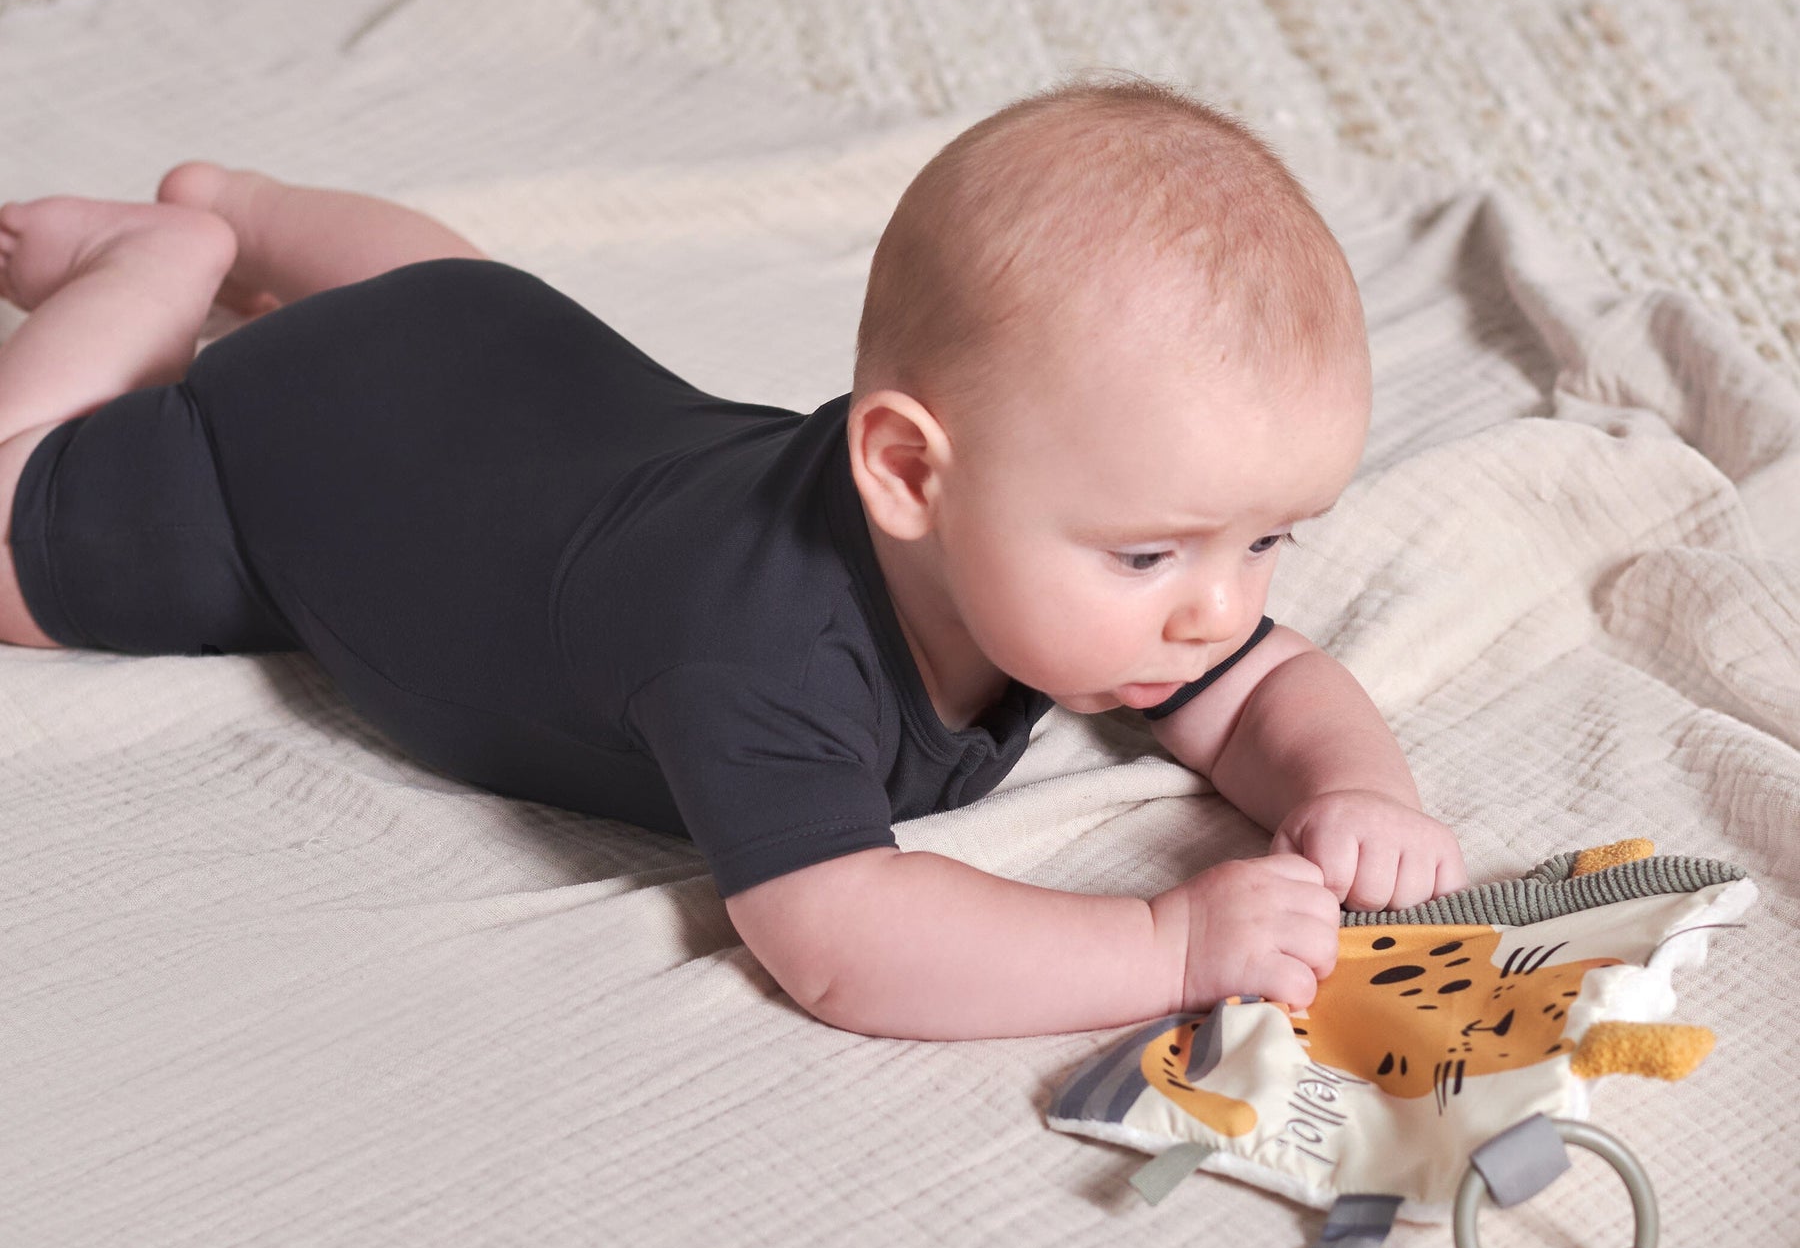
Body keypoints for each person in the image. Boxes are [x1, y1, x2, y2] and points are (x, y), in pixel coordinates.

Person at [0, 75, 1467, 1040]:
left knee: (455, 298)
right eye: (1151, 554)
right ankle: (162, 268)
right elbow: (843, 940)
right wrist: (1163, 945)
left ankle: (248, 208)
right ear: (908, 473)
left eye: (1267, 539)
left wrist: (1351, 789)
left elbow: (1258, 685)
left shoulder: (1070, 549)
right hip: (313, 468)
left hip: (497, 348)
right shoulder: (759, 653)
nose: (1221, 605)